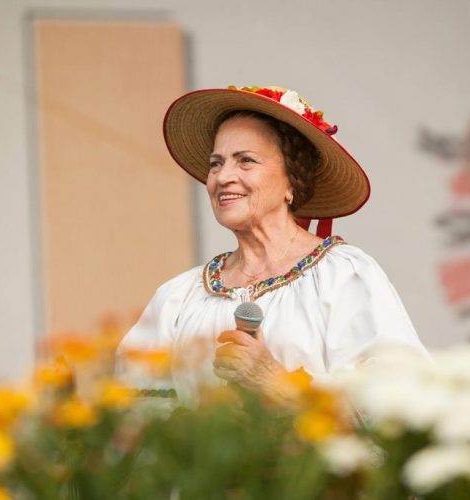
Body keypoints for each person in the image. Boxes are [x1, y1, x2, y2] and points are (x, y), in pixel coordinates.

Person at [115, 85, 429, 406]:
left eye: (245, 161)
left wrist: (275, 382)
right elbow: (133, 403)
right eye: (216, 163)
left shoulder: (344, 276)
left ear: (292, 180)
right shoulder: (180, 297)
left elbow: (399, 400)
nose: (222, 177)